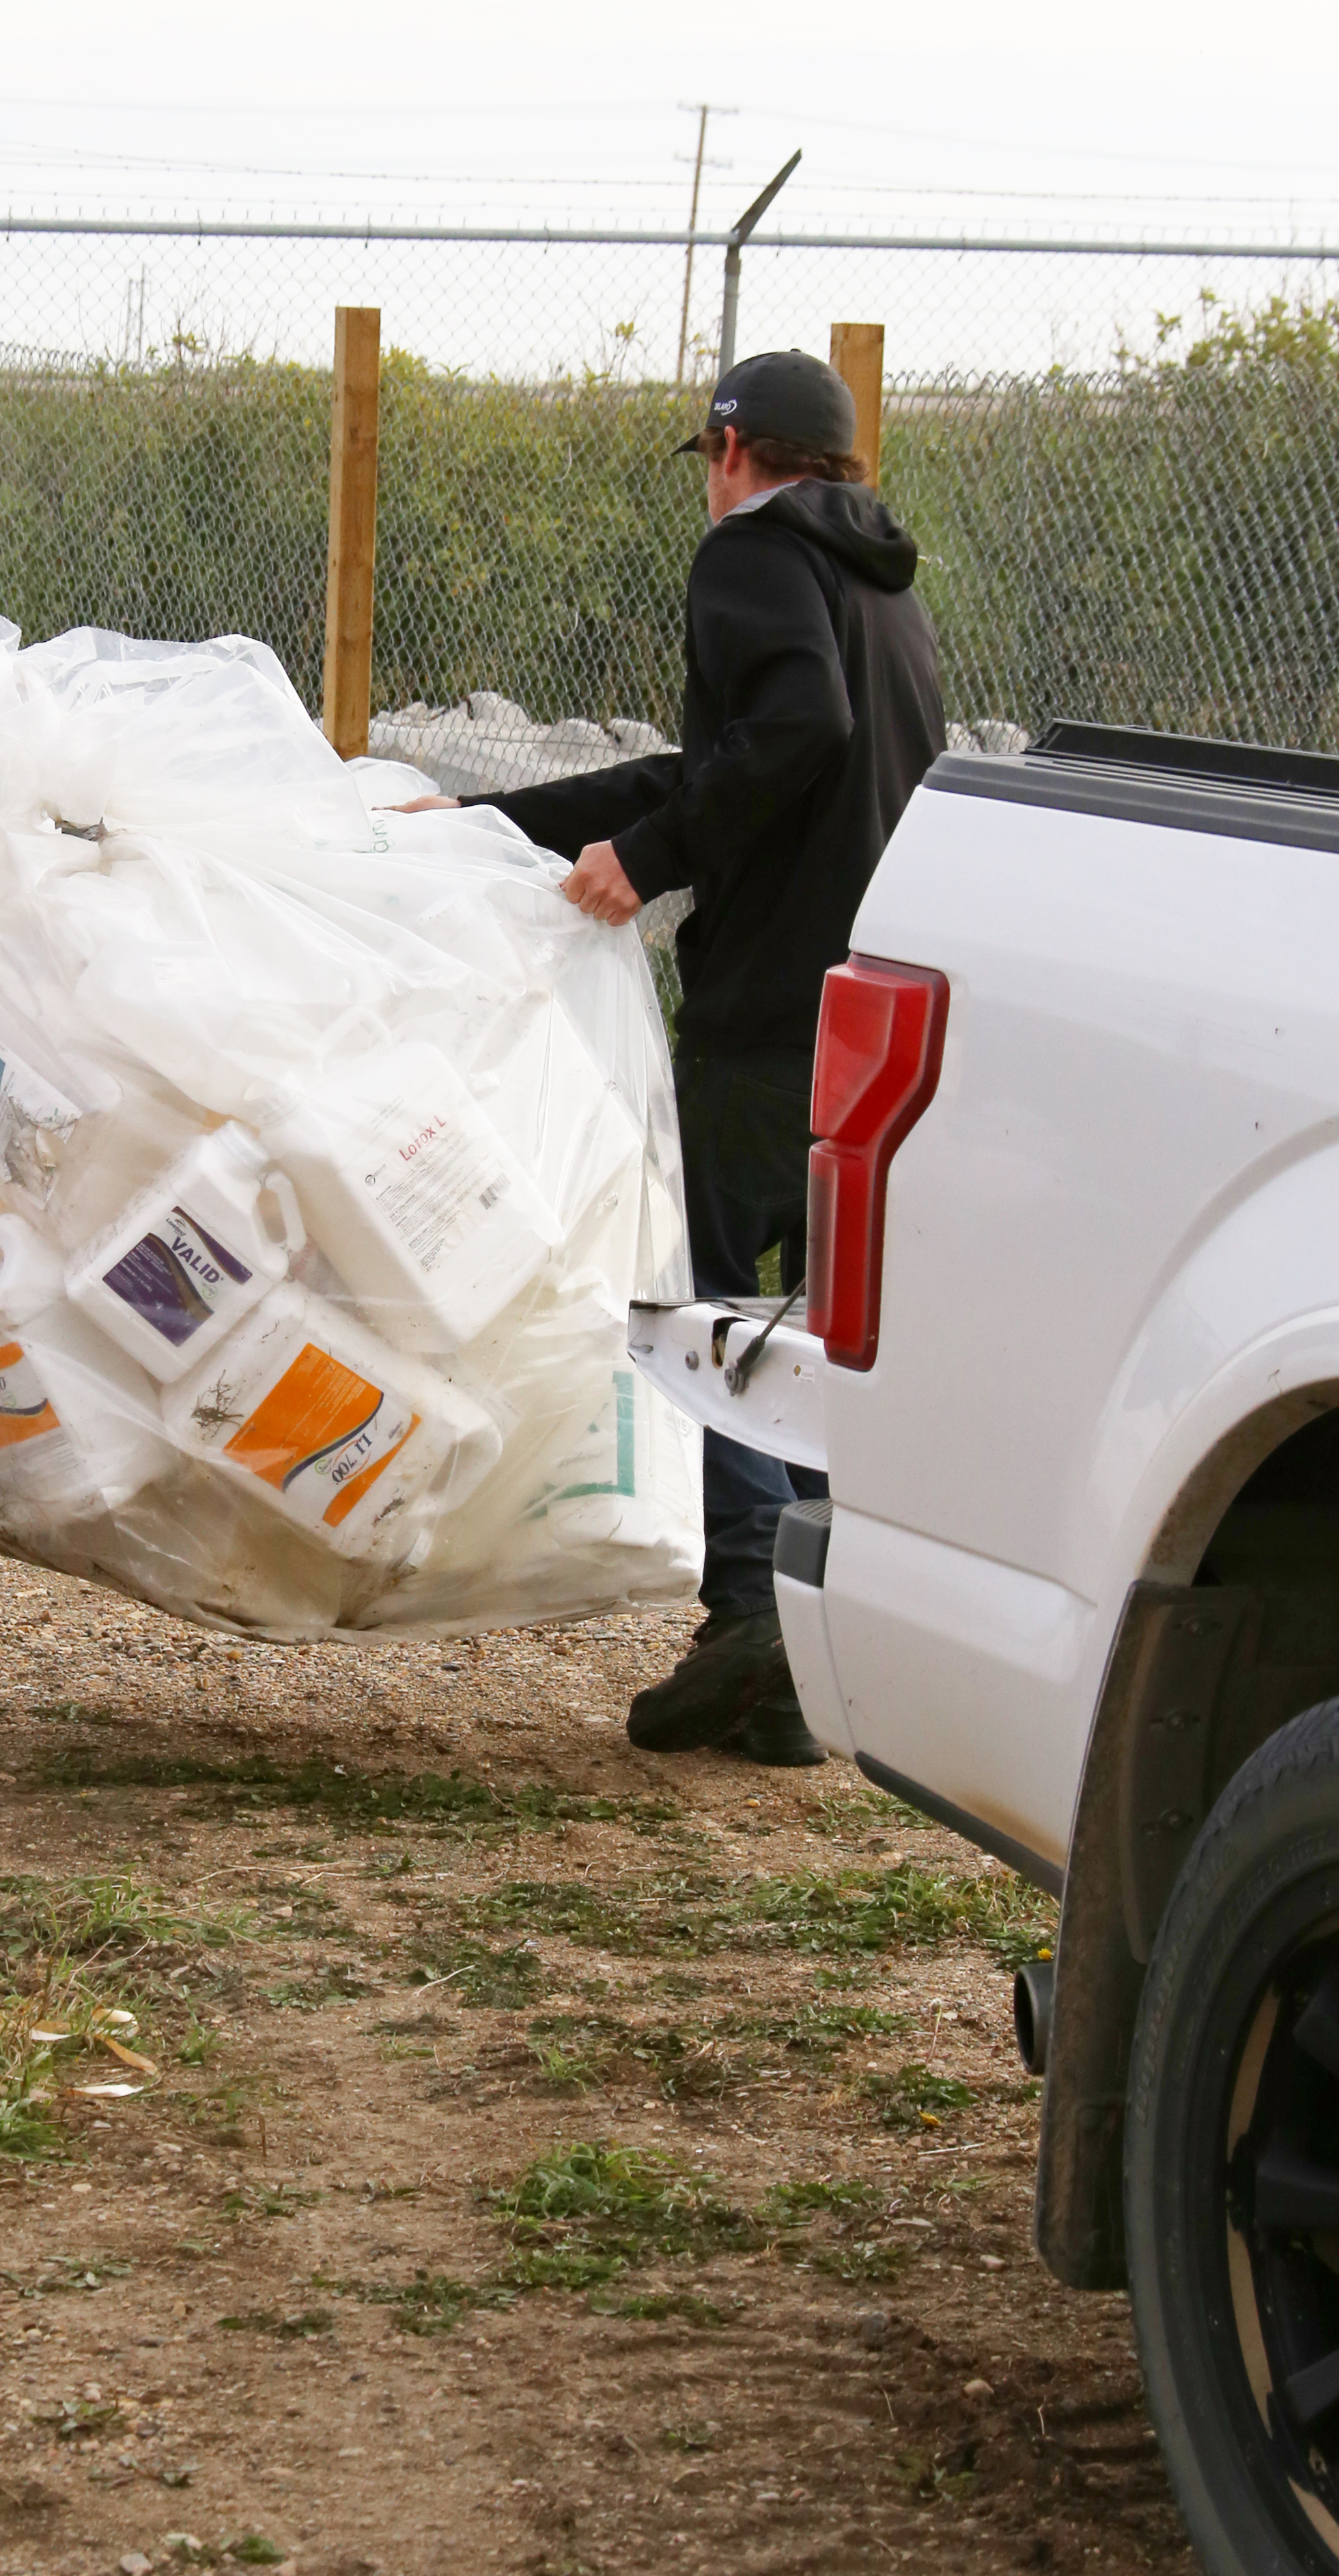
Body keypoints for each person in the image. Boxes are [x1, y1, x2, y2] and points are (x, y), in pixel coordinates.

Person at [419, 349, 944, 1761]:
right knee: (824, 1327)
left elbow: (786, 733)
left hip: (768, 1013)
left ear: (732, 448)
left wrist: (649, 863)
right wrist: (490, 819)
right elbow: (729, 764)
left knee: (704, 1300)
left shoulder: (753, 557)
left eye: (709, 457)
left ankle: (748, 1615)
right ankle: (800, 1664)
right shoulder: (885, 593)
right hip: (875, 1013)